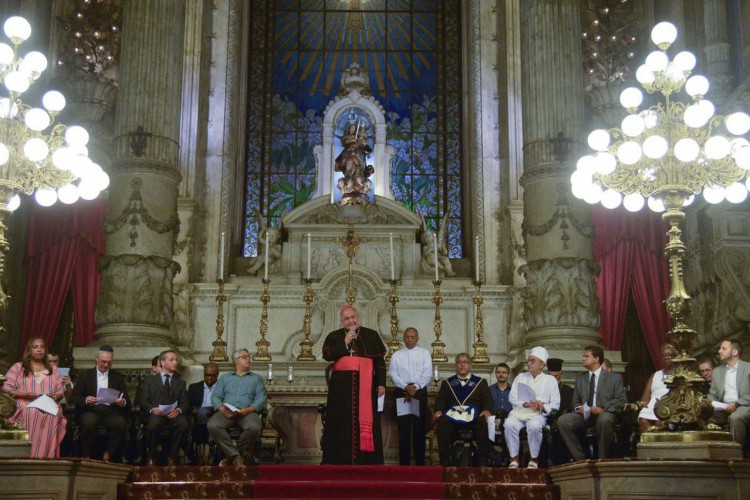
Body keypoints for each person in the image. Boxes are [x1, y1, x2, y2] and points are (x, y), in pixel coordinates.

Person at [322, 304, 387, 464]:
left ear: (358, 317)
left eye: (353, 317)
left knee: (367, 421)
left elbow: (379, 362)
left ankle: (367, 460)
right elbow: (327, 355)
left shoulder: (371, 335)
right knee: (340, 421)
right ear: (342, 321)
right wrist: (344, 343)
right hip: (341, 389)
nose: (351, 321)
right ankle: (339, 459)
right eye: (347, 318)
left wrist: (381, 383)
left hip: (366, 386)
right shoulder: (334, 336)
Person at [557, 345, 627, 460]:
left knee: (604, 419)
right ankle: (581, 459)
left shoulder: (614, 378)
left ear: (596, 359)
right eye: (583, 356)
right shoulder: (580, 379)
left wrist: (603, 408)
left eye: (586, 356)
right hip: (585, 415)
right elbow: (575, 402)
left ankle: (602, 459)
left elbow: (621, 400)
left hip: (605, 413)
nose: (583, 359)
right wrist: (579, 408)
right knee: (563, 421)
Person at [2, 337, 66, 458]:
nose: (39, 350)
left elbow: (60, 392)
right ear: (29, 351)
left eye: (42, 347)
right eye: (35, 347)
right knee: (32, 412)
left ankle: (46, 457)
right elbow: (6, 388)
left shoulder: (54, 370)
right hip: (23, 402)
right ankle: (28, 456)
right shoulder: (18, 367)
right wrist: (27, 394)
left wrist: (53, 397)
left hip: (49, 403)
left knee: (51, 413)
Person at [70, 345, 130, 462]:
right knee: (89, 423)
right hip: (91, 410)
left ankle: (108, 454)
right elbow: (74, 398)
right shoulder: (85, 376)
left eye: (109, 362)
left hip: (110, 410)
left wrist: (122, 402)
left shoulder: (117, 377)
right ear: (97, 359)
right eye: (103, 362)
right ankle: (86, 455)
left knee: (120, 424)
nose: (106, 365)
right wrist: (86, 399)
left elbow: (126, 399)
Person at [208, 350, 267, 466]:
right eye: (244, 357)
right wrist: (222, 409)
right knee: (212, 425)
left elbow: (262, 398)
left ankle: (231, 457)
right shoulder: (225, 378)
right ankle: (236, 457)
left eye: (249, 357)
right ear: (236, 361)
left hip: (247, 412)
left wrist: (248, 410)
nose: (248, 359)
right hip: (226, 412)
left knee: (254, 427)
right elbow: (215, 397)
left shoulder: (256, 378)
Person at [504, 347, 560, 469]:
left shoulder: (550, 380)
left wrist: (542, 406)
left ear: (542, 364)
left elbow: (556, 404)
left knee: (534, 426)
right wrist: (525, 404)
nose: (529, 363)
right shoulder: (520, 377)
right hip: (520, 412)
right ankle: (514, 459)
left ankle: (533, 459)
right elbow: (512, 397)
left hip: (537, 414)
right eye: (529, 360)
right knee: (509, 424)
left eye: (532, 361)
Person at [433, 353, 493, 466]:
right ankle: (444, 460)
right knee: (442, 421)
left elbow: (488, 400)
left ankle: (482, 461)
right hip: (453, 419)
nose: (462, 365)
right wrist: (439, 410)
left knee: (483, 421)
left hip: (474, 418)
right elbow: (441, 399)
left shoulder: (481, 382)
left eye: (465, 362)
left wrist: (487, 410)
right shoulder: (447, 383)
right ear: (455, 366)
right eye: (459, 362)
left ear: (470, 366)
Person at [388, 327, 432, 465]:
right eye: (407, 337)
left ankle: (420, 463)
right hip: (402, 392)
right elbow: (393, 374)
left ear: (417, 339)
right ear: (404, 338)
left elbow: (427, 373)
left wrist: (415, 387)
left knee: (419, 428)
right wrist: (405, 386)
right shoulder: (397, 355)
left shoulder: (424, 353)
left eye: (413, 337)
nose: (410, 339)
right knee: (403, 429)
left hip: (419, 393)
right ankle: (404, 464)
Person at [139, 350, 189, 465]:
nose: (175, 362)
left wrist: (178, 410)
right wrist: (152, 409)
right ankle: (151, 456)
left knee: (183, 423)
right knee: (153, 424)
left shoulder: (180, 382)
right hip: (157, 414)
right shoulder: (149, 381)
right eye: (171, 360)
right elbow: (143, 400)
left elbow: (185, 403)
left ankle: (172, 456)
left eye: (175, 360)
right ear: (162, 362)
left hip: (173, 415)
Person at [709, 339, 750, 454]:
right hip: (722, 407)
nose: (719, 351)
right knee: (703, 414)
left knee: (735, 418)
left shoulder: (748, 368)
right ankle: (713, 454)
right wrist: (710, 403)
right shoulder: (717, 372)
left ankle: (736, 454)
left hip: (744, 405)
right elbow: (712, 394)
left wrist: (736, 404)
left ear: (734, 352)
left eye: (723, 348)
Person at [635, 344, 677, 433]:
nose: (666, 357)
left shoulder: (680, 374)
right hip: (653, 406)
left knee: (659, 422)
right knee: (643, 420)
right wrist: (643, 403)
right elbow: (645, 397)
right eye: (664, 355)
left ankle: (660, 446)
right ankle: (649, 445)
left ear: (675, 357)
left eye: (669, 355)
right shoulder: (655, 375)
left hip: (670, 405)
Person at [188, 362, 220, 463]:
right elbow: (188, 405)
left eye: (212, 375)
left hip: (215, 414)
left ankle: (215, 458)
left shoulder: (223, 388)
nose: (209, 378)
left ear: (217, 375)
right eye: (207, 375)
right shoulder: (194, 387)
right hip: (197, 415)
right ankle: (193, 457)